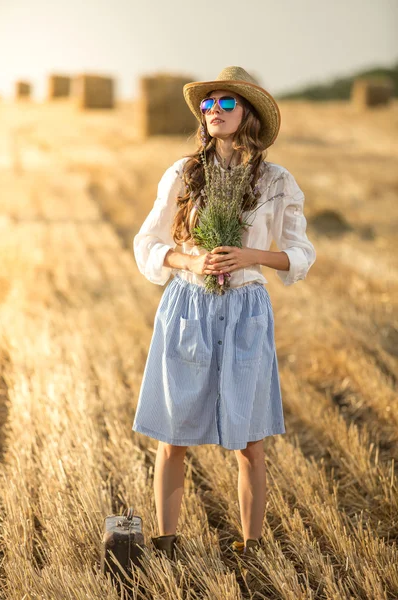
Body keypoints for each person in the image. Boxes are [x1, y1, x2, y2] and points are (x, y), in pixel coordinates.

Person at [132, 66, 316, 560]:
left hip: (245, 312)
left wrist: (252, 256)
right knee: (172, 438)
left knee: (249, 444)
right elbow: (148, 242)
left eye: (226, 103)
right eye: (208, 104)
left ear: (248, 112)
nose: (214, 110)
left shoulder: (277, 181)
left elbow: (300, 254)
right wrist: (191, 258)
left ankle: (251, 548)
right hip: (188, 305)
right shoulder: (183, 172)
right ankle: (167, 542)